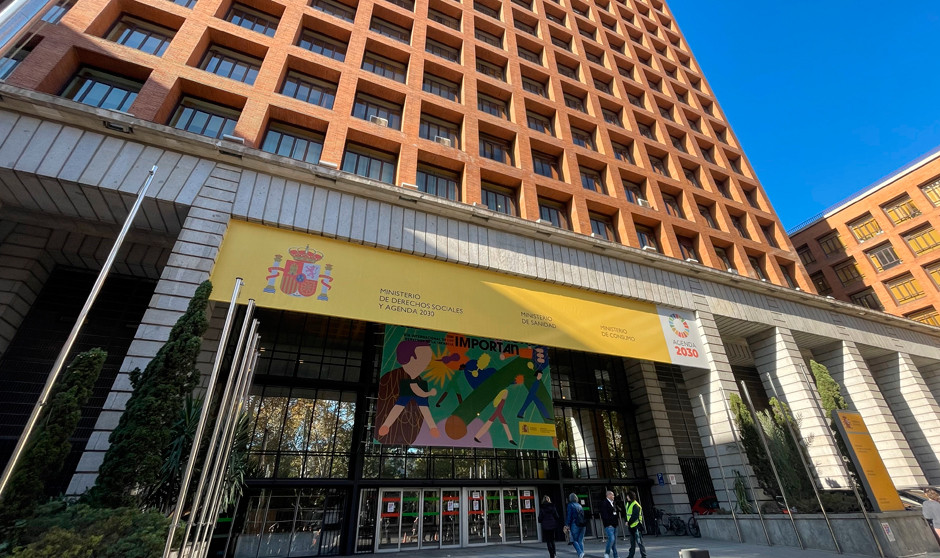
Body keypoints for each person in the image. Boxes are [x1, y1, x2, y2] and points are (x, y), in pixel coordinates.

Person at [563, 493, 585, 558]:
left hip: (575, 524)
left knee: (573, 540)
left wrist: (567, 524)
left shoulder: (570, 505)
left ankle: (580, 553)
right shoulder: (579, 505)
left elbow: (569, 516)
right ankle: (581, 554)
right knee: (580, 540)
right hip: (582, 524)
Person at [624, 491, 646, 558]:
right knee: (632, 542)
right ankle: (631, 556)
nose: (627, 497)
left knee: (639, 542)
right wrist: (626, 520)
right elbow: (627, 513)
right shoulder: (628, 504)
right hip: (631, 526)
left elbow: (635, 516)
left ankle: (644, 556)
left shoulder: (636, 505)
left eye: (627, 496)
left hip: (636, 526)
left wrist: (628, 522)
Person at [599, 490, 619, 558]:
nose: (613, 496)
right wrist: (608, 524)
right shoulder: (604, 503)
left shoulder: (613, 503)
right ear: (608, 495)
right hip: (609, 525)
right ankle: (607, 553)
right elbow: (604, 515)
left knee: (614, 542)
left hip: (615, 524)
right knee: (611, 539)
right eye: (612, 495)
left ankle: (616, 556)